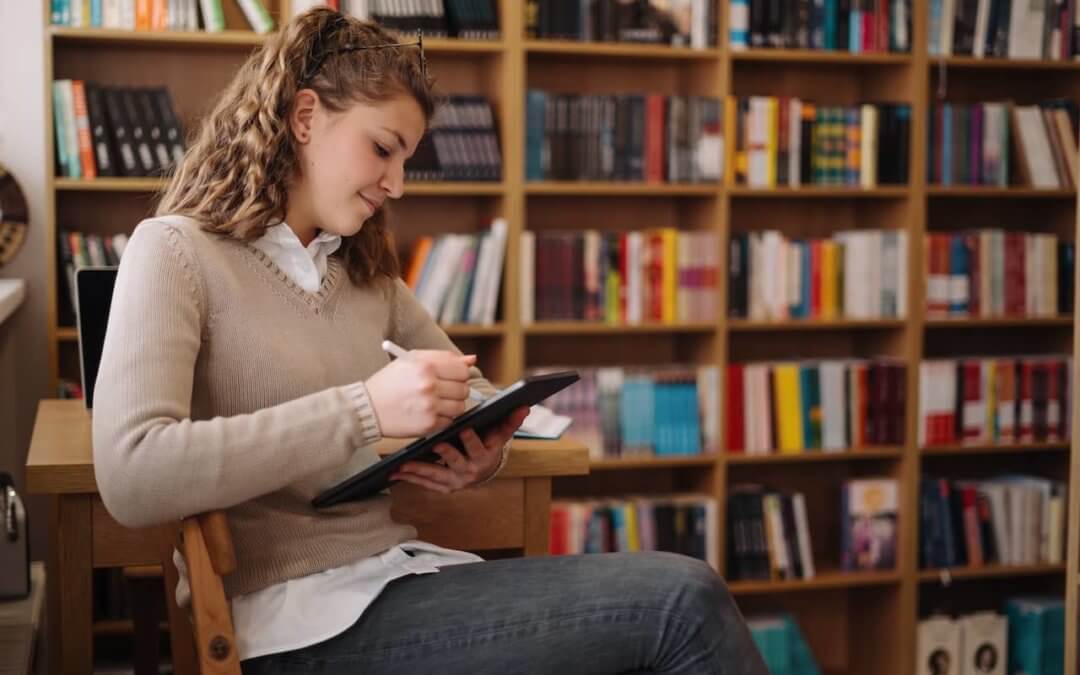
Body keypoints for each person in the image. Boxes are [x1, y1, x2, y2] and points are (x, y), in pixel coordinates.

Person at [91, 7, 767, 674]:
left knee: (676, 610)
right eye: (382, 148)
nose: (397, 183)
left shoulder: (359, 271)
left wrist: (482, 451)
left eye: (406, 159)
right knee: (684, 602)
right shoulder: (176, 252)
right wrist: (363, 409)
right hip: (296, 620)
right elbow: (133, 473)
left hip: (398, 580)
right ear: (304, 118)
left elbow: (472, 390)